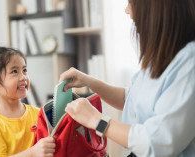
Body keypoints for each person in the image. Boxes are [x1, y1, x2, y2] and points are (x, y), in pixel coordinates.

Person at [59, 0, 195, 156]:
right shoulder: (161, 57)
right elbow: (130, 99)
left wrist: (96, 120)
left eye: (131, 3)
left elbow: (156, 143)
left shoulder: (189, 64)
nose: (126, 10)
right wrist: (89, 81)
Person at [0, 47, 55, 157]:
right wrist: (33, 152)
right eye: (14, 71)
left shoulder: (39, 114)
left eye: (24, 70)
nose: (23, 77)